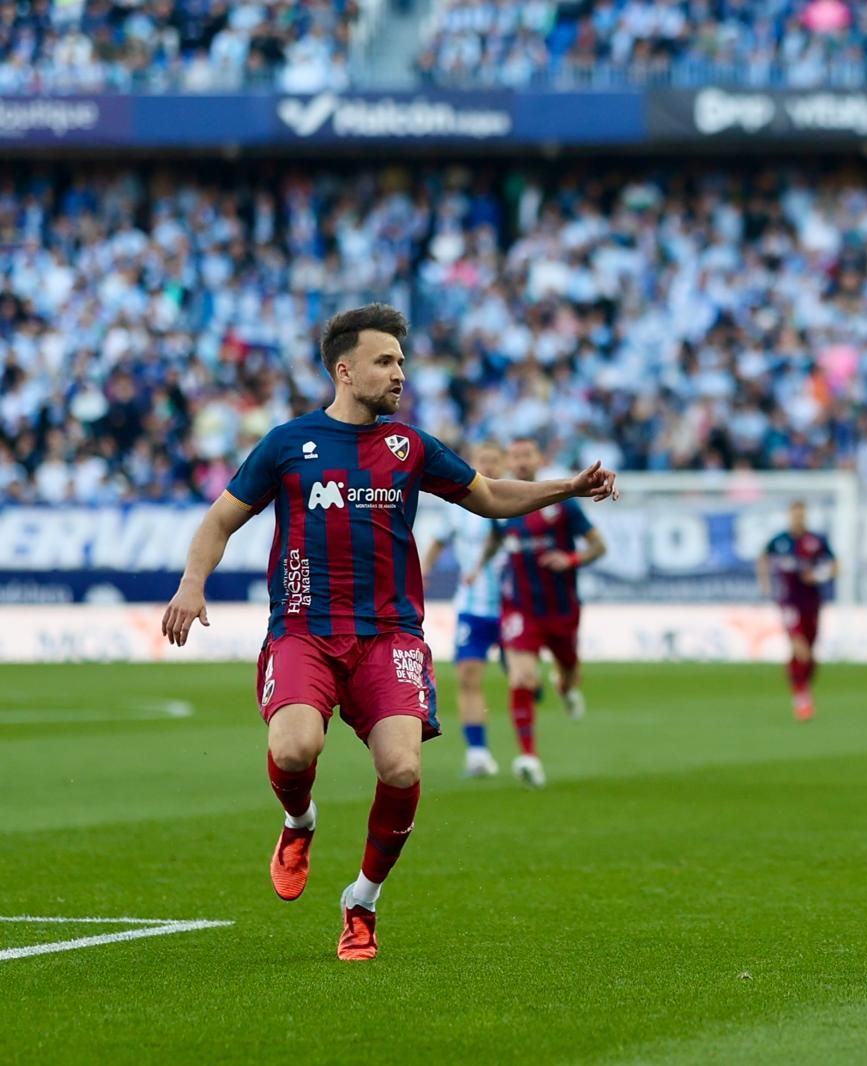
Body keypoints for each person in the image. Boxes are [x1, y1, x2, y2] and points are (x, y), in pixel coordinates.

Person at [159, 304, 618, 961]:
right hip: (304, 629)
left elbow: (490, 496)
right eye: (385, 361)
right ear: (345, 371)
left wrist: (567, 488)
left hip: (390, 634)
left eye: (401, 361)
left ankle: (362, 902)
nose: (400, 372)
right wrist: (191, 583)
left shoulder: (410, 447)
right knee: (294, 749)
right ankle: (298, 822)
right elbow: (219, 521)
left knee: (401, 766)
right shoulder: (287, 444)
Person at [472, 438, 608, 788]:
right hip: (520, 607)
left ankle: (565, 686)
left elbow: (599, 546)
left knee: (570, 670)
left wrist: (571, 559)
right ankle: (528, 757)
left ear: (539, 460)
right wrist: (477, 567)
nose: (520, 461)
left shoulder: (563, 504)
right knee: (521, 678)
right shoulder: (503, 502)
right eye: (515, 456)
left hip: (561, 608)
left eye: (527, 455)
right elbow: (495, 538)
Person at [422, 440, 508, 778]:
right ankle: (477, 753)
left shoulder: (515, 502)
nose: (488, 466)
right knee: (468, 677)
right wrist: (424, 570)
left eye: (494, 461)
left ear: (503, 465)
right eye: (482, 460)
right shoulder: (458, 507)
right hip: (473, 605)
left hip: (514, 605)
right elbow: (438, 540)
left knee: (523, 678)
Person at [756, 500, 836, 721]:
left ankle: (797, 678)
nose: (798, 518)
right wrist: (765, 584)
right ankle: (802, 697)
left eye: (802, 515)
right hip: (789, 601)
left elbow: (835, 565)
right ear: (790, 516)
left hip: (811, 601)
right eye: (795, 515)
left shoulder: (816, 541)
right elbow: (763, 558)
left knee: (810, 653)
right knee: (801, 648)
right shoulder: (781, 541)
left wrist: (818, 575)